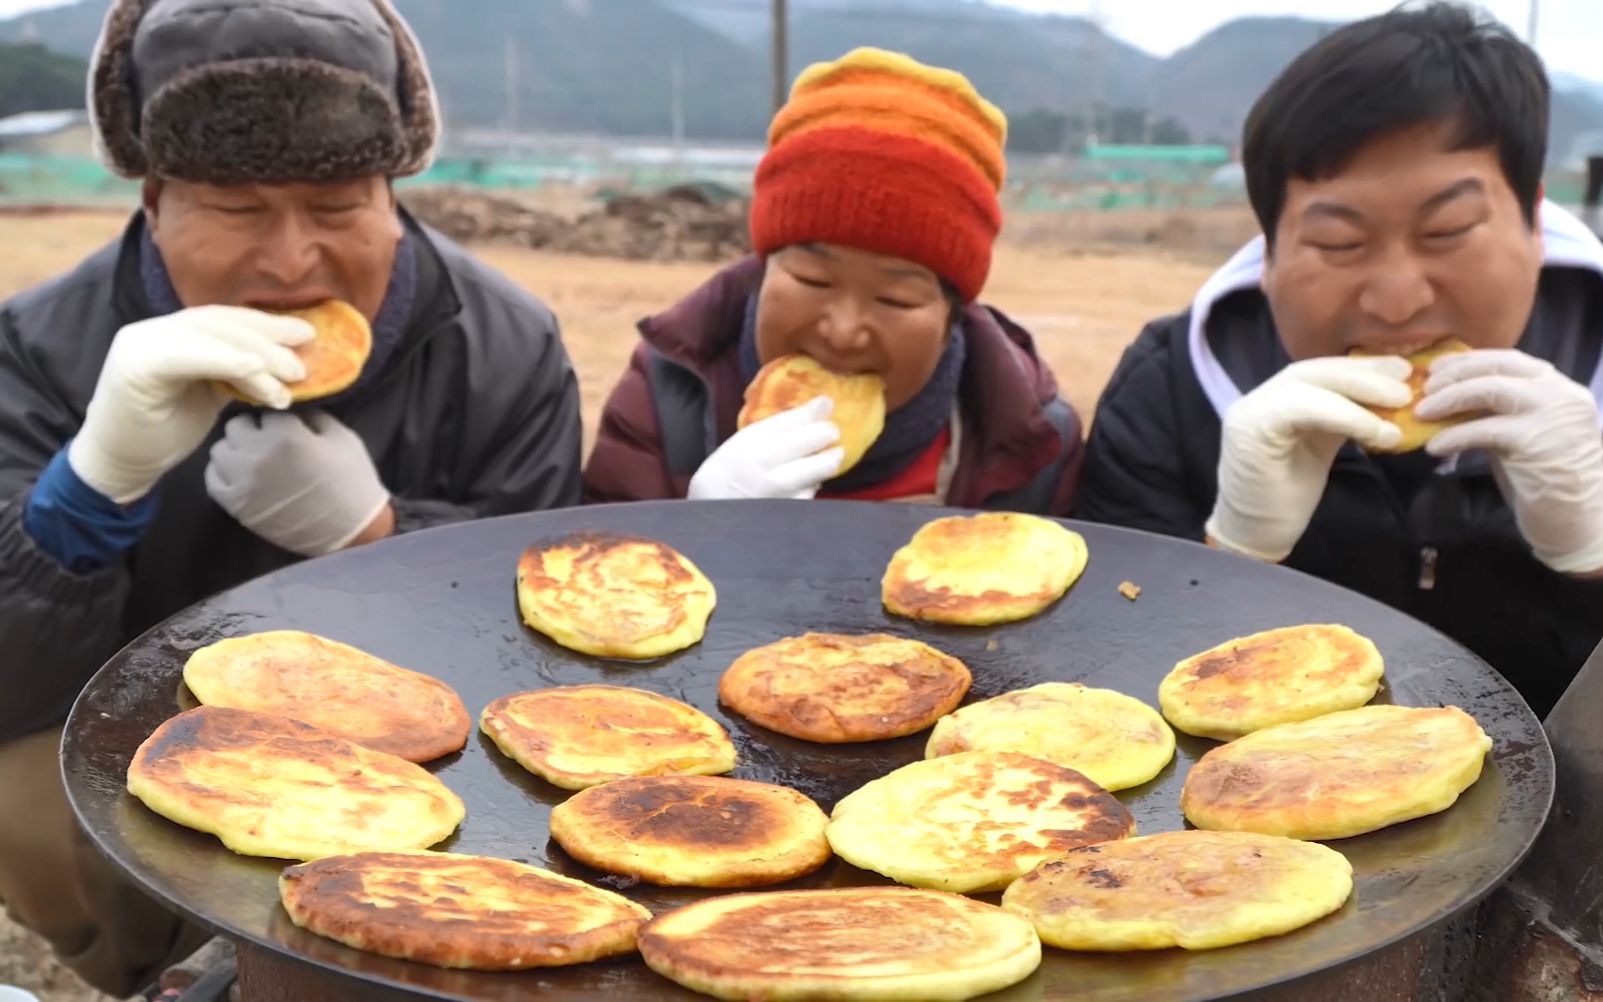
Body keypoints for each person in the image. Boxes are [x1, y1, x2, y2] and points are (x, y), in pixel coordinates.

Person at [0, 0, 581, 995]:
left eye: (338, 204)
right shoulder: (42, 350)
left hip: (426, 766)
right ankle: (148, 965)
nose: (289, 259)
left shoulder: (504, 350)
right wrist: (88, 495)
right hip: (146, 746)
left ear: (393, 193)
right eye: (234, 209)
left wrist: (385, 534)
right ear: (151, 202)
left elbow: (549, 668)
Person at [1074, 2, 1603, 717]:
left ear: (1534, 221)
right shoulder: (1167, 390)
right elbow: (1098, 703)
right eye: (1337, 244)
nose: (1395, 300)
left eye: (1447, 231)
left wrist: (1591, 560)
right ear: (1268, 252)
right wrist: (1226, 555)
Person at [583, 48, 1083, 513]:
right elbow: (594, 587)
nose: (843, 331)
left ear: (954, 314)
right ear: (764, 271)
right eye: (813, 279)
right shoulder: (669, 397)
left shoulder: (1030, 443)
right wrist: (698, 531)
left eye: (895, 298)